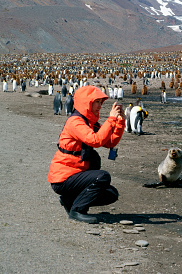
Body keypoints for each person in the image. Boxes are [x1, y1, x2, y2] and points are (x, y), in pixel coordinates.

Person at [47, 85, 126, 224]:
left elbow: (110, 142)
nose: (100, 106)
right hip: (63, 178)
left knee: (111, 193)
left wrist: (120, 121)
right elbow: (95, 141)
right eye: (97, 102)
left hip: (76, 174)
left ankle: (70, 200)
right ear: (86, 102)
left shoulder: (90, 123)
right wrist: (111, 119)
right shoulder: (75, 122)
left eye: (101, 102)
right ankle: (77, 211)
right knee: (102, 177)